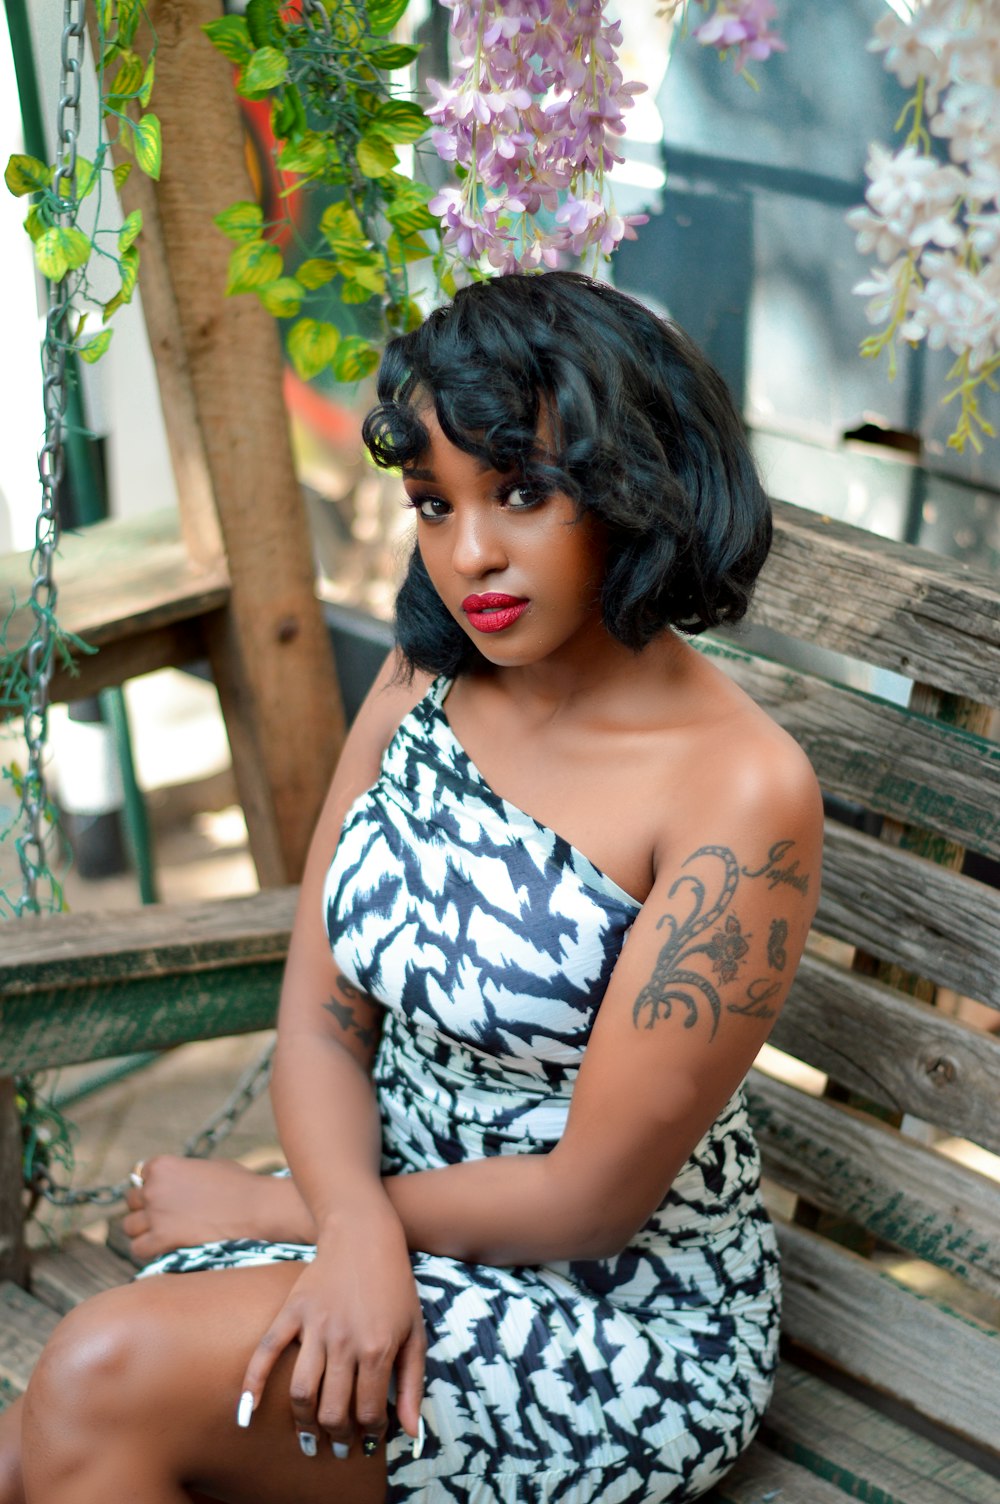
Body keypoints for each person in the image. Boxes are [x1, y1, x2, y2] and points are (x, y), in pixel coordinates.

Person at [5, 271, 822, 1504]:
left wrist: (283, 1212)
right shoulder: (421, 681)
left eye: (523, 493)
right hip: (376, 1215)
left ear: (635, 487)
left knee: (95, 1378)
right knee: (36, 1450)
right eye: (433, 504)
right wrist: (342, 1222)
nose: (470, 554)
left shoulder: (738, 792)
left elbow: (589, 1200)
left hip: (615, 1319)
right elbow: (320, 1022)